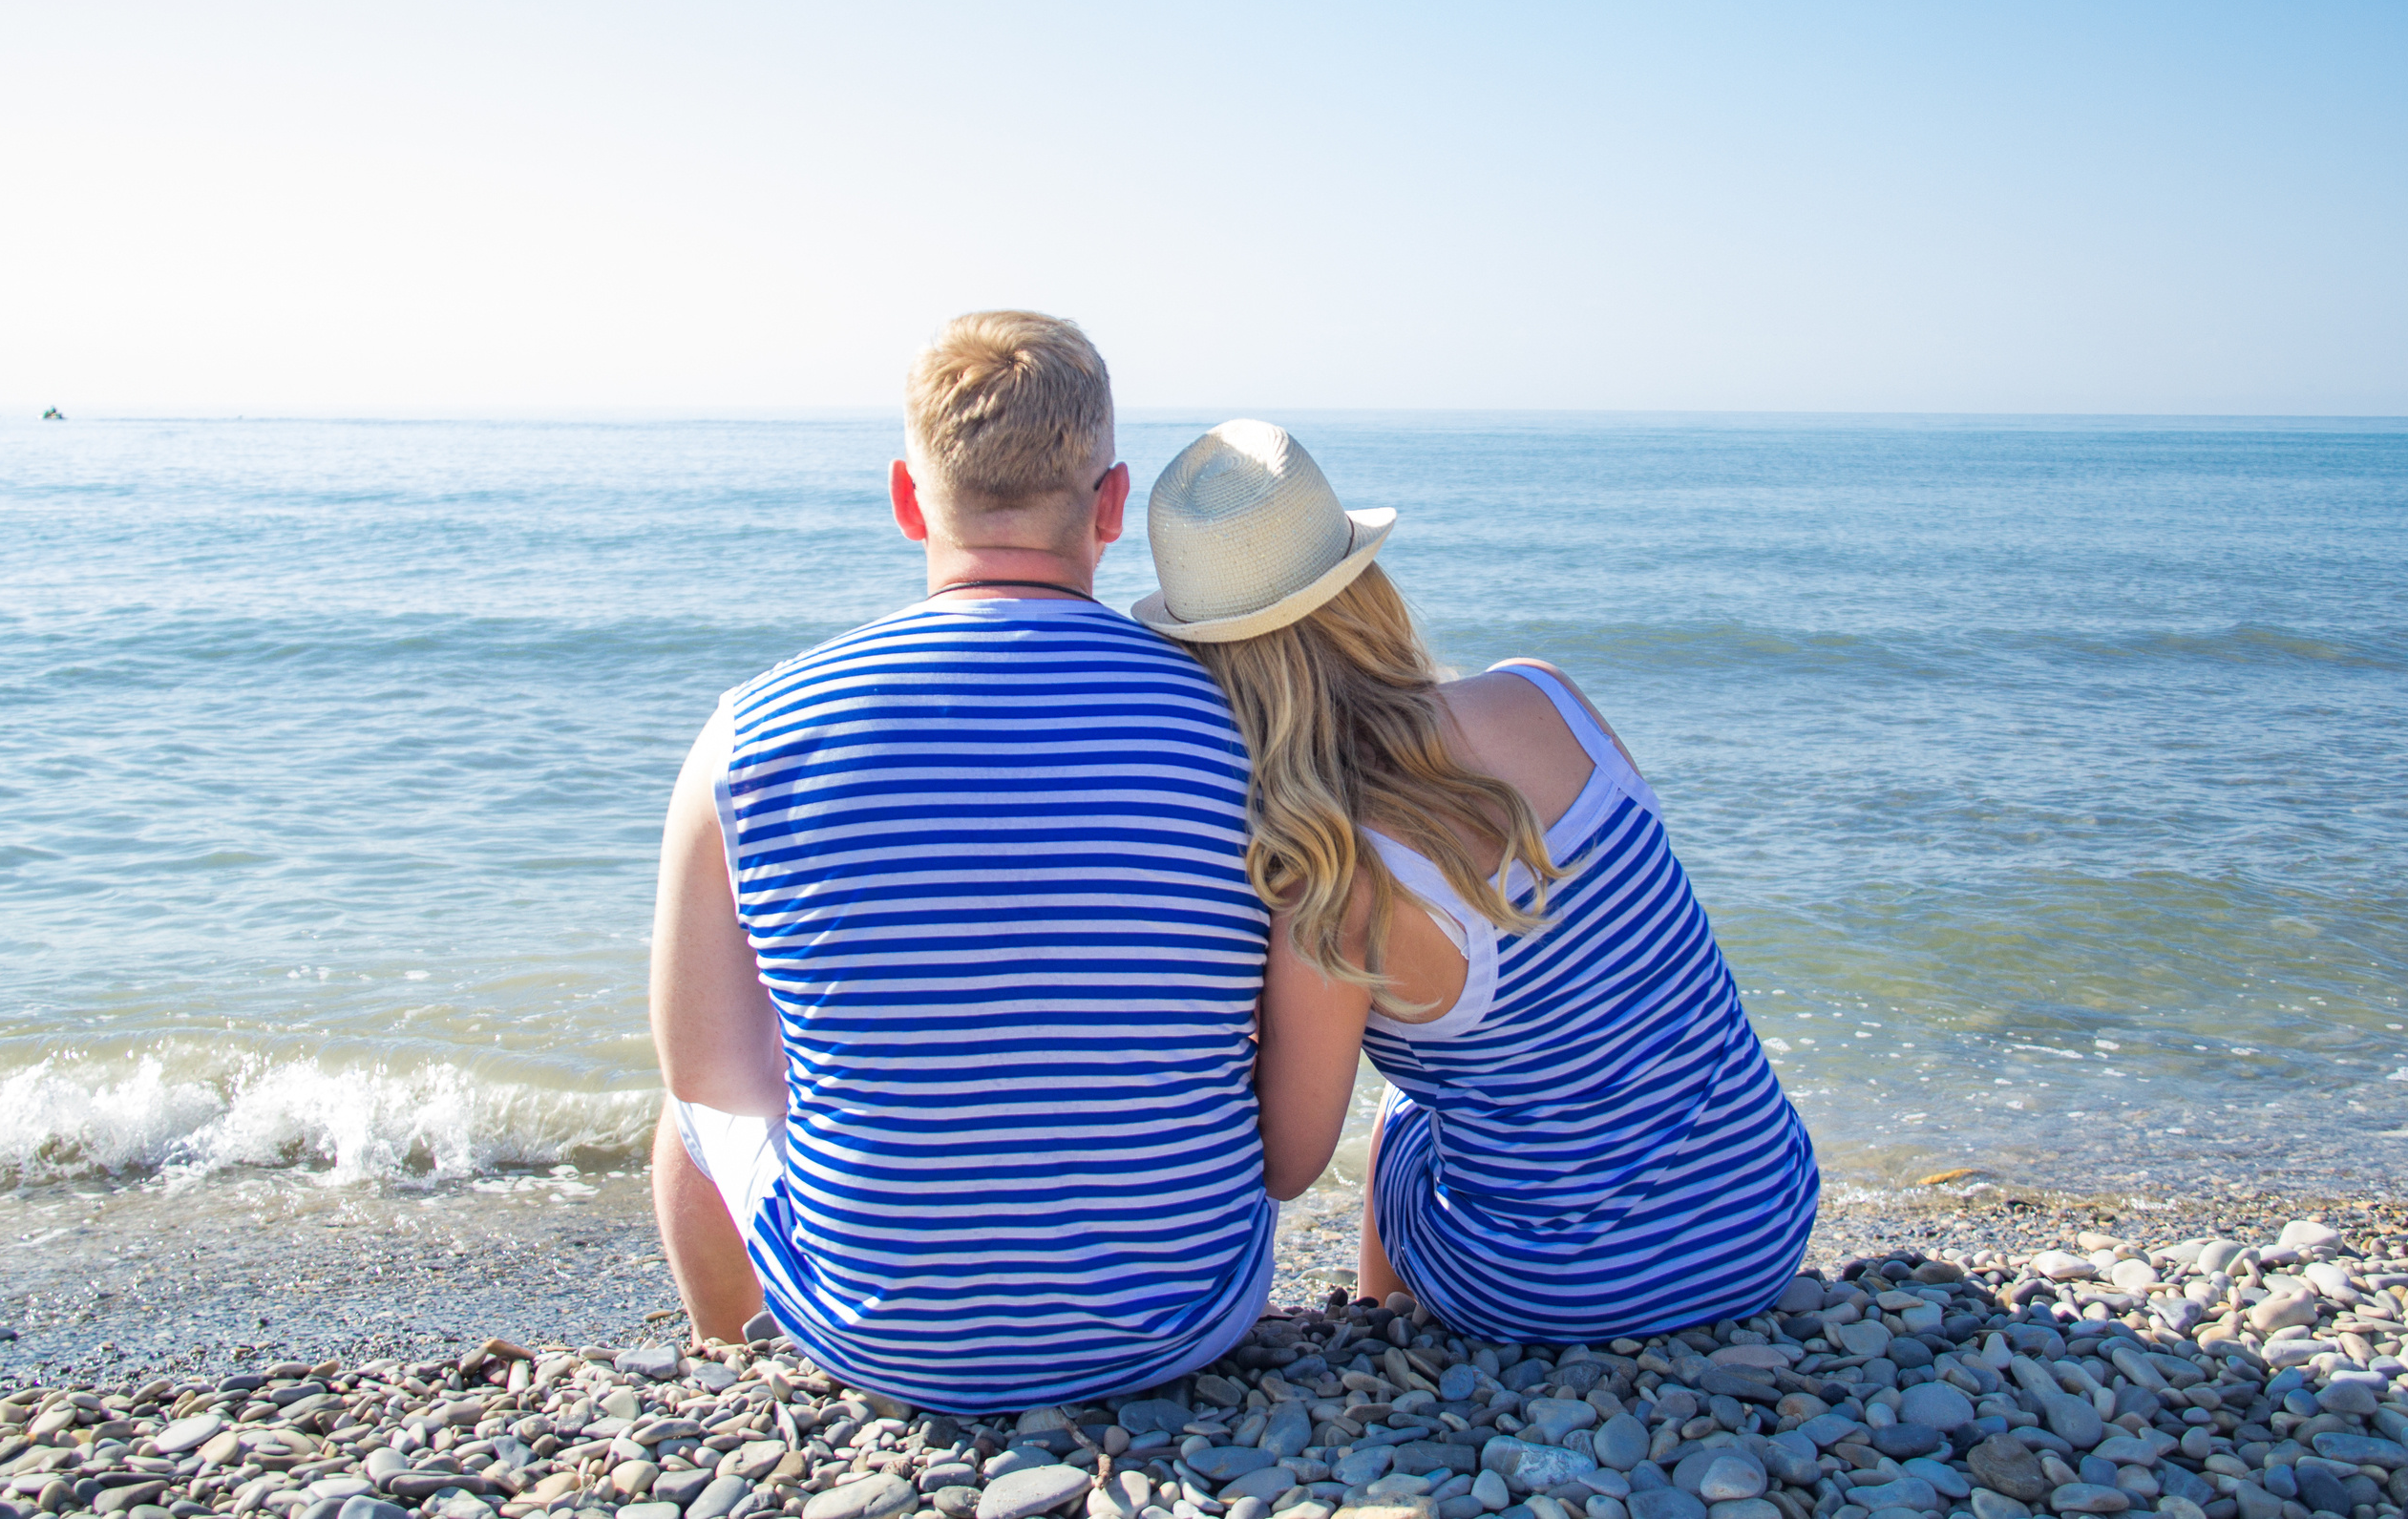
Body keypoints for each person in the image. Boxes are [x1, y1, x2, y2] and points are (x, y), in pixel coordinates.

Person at [646, 313, 1274, 1410]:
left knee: (686, 1114)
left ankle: (731, 1364)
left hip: (881, 1339)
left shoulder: (749, 730)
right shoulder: (1238, 717)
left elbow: (706, 1069)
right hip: (1186, 1315)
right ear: (1113, 504)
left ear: (905, 498)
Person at [1130, 419, 1818, 1340]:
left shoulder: (1334, 877)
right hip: (1766, 1221)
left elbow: (1289, 1162)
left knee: (1402, 1120)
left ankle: (1379, 1324)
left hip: (1555, 1285)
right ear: (1361, 583)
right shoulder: (1548, 694)